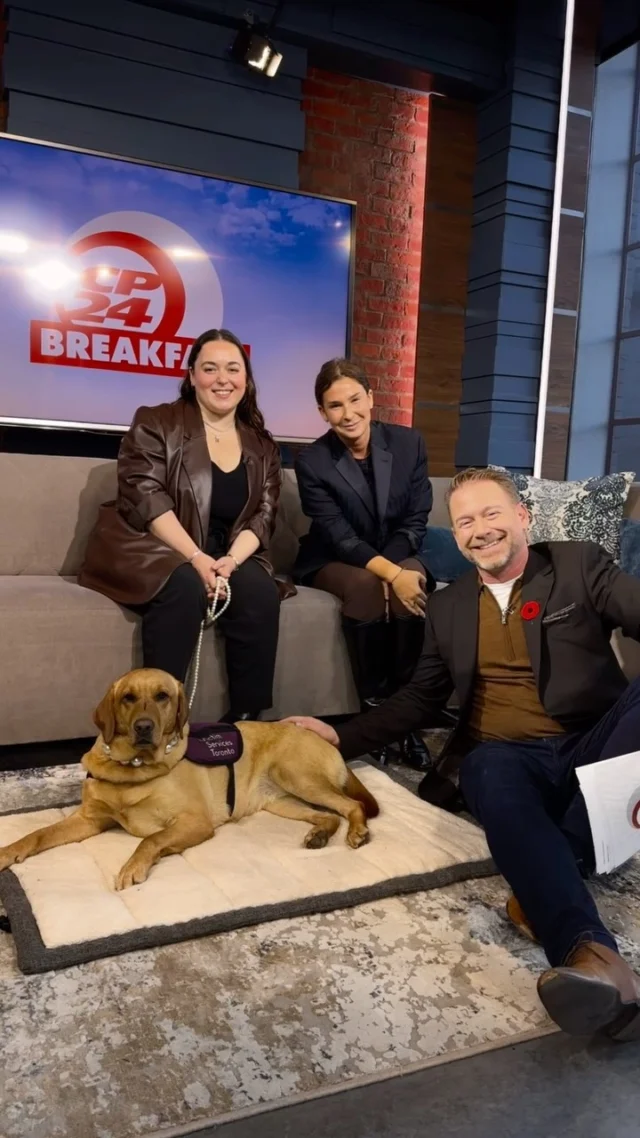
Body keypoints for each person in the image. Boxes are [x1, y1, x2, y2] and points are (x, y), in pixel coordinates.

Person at [287, 465, 640, 1040]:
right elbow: (420, 699)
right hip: (510, 761)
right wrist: (339, 736)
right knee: (483, 768)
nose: (481, 529)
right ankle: (594, 960)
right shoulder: (448, 609)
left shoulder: (577, 564)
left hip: (591, 748)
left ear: (522, 518)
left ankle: (551, 873)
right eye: (465, 521)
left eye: (492, 513)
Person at [79, 328, 291, 722]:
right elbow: (145, 496)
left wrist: (229, 561)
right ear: (191, 375)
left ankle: (247, 721)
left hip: (225, 549)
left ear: (246, 378)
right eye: (209, 368)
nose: (222, 379)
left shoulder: (262, 445)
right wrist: (195, 556)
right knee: (183, 585)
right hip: (152, 543)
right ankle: (156, 723)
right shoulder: (157, 421)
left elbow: (264, 515)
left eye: (233, 368)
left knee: (260, 592)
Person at [293, 358, 438, 770]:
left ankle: (405, 721)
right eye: (335, 406)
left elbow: (415, 520)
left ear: (371, 398)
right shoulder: (313, 462)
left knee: (411, 580)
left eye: (355, 399)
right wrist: (390, 574)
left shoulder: (409, 444)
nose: (348, 413)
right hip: (335, 557)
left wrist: (395, 569)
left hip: (397, 546)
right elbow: (341, 538)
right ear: (323, 413)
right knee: (368, 586)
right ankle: (373, 715)